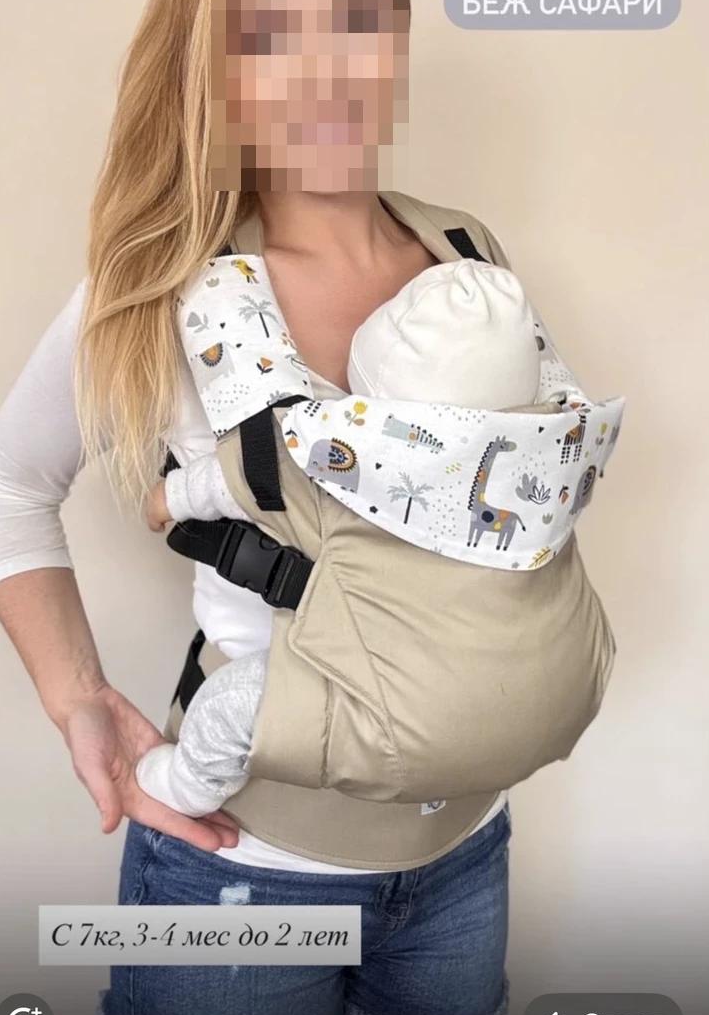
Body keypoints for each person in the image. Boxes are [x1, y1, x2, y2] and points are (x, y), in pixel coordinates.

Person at [0, 0, 520, 1015]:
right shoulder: (164, 289)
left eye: (353, 14)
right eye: (270, 30)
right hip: (242, 875)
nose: (323, 71)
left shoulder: (467, 253)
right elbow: (4, 486)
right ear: (216, 60)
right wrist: (78, 700)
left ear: (397, 23)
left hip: (467, 852)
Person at [136, 254, 542, 817]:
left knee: (229, 706)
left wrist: (169, 497)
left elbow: (245, 478)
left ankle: (185, 787)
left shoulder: (349, 462)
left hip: (360, 672)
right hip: (473, 677)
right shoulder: (536, 468)